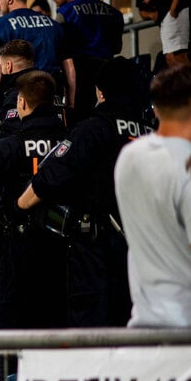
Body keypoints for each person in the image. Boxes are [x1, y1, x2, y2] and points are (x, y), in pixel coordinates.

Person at [19, 58, 153, 326]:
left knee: (95, 331)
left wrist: (21, 204)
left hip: (99, 253)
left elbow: (46, 181)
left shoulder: (93, 129)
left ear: (100, 92)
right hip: (146, 249)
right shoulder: (152, 132)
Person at [0, 71, 68, 329]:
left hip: (19, 251)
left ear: (22, 102)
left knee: (13, 332)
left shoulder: (8, 147)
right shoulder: (71, 141)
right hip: (65, 253)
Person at [114, 63, 191, 327]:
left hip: (144, 330)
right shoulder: (187, 165)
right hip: (186, 329)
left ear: (156, 108)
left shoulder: (129, 156)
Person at [0, 0, 76, 117]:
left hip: (19, 100)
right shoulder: (55, 26)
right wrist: (71, 103)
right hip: (52, 96)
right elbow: (70, 68)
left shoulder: (0, 26)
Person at [57, 0, 125, 119]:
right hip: (108, 70)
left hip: (80, 72)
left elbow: (60, 46)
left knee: (81, 116)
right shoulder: (114, 13)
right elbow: (117, 47)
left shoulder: (66, 12)